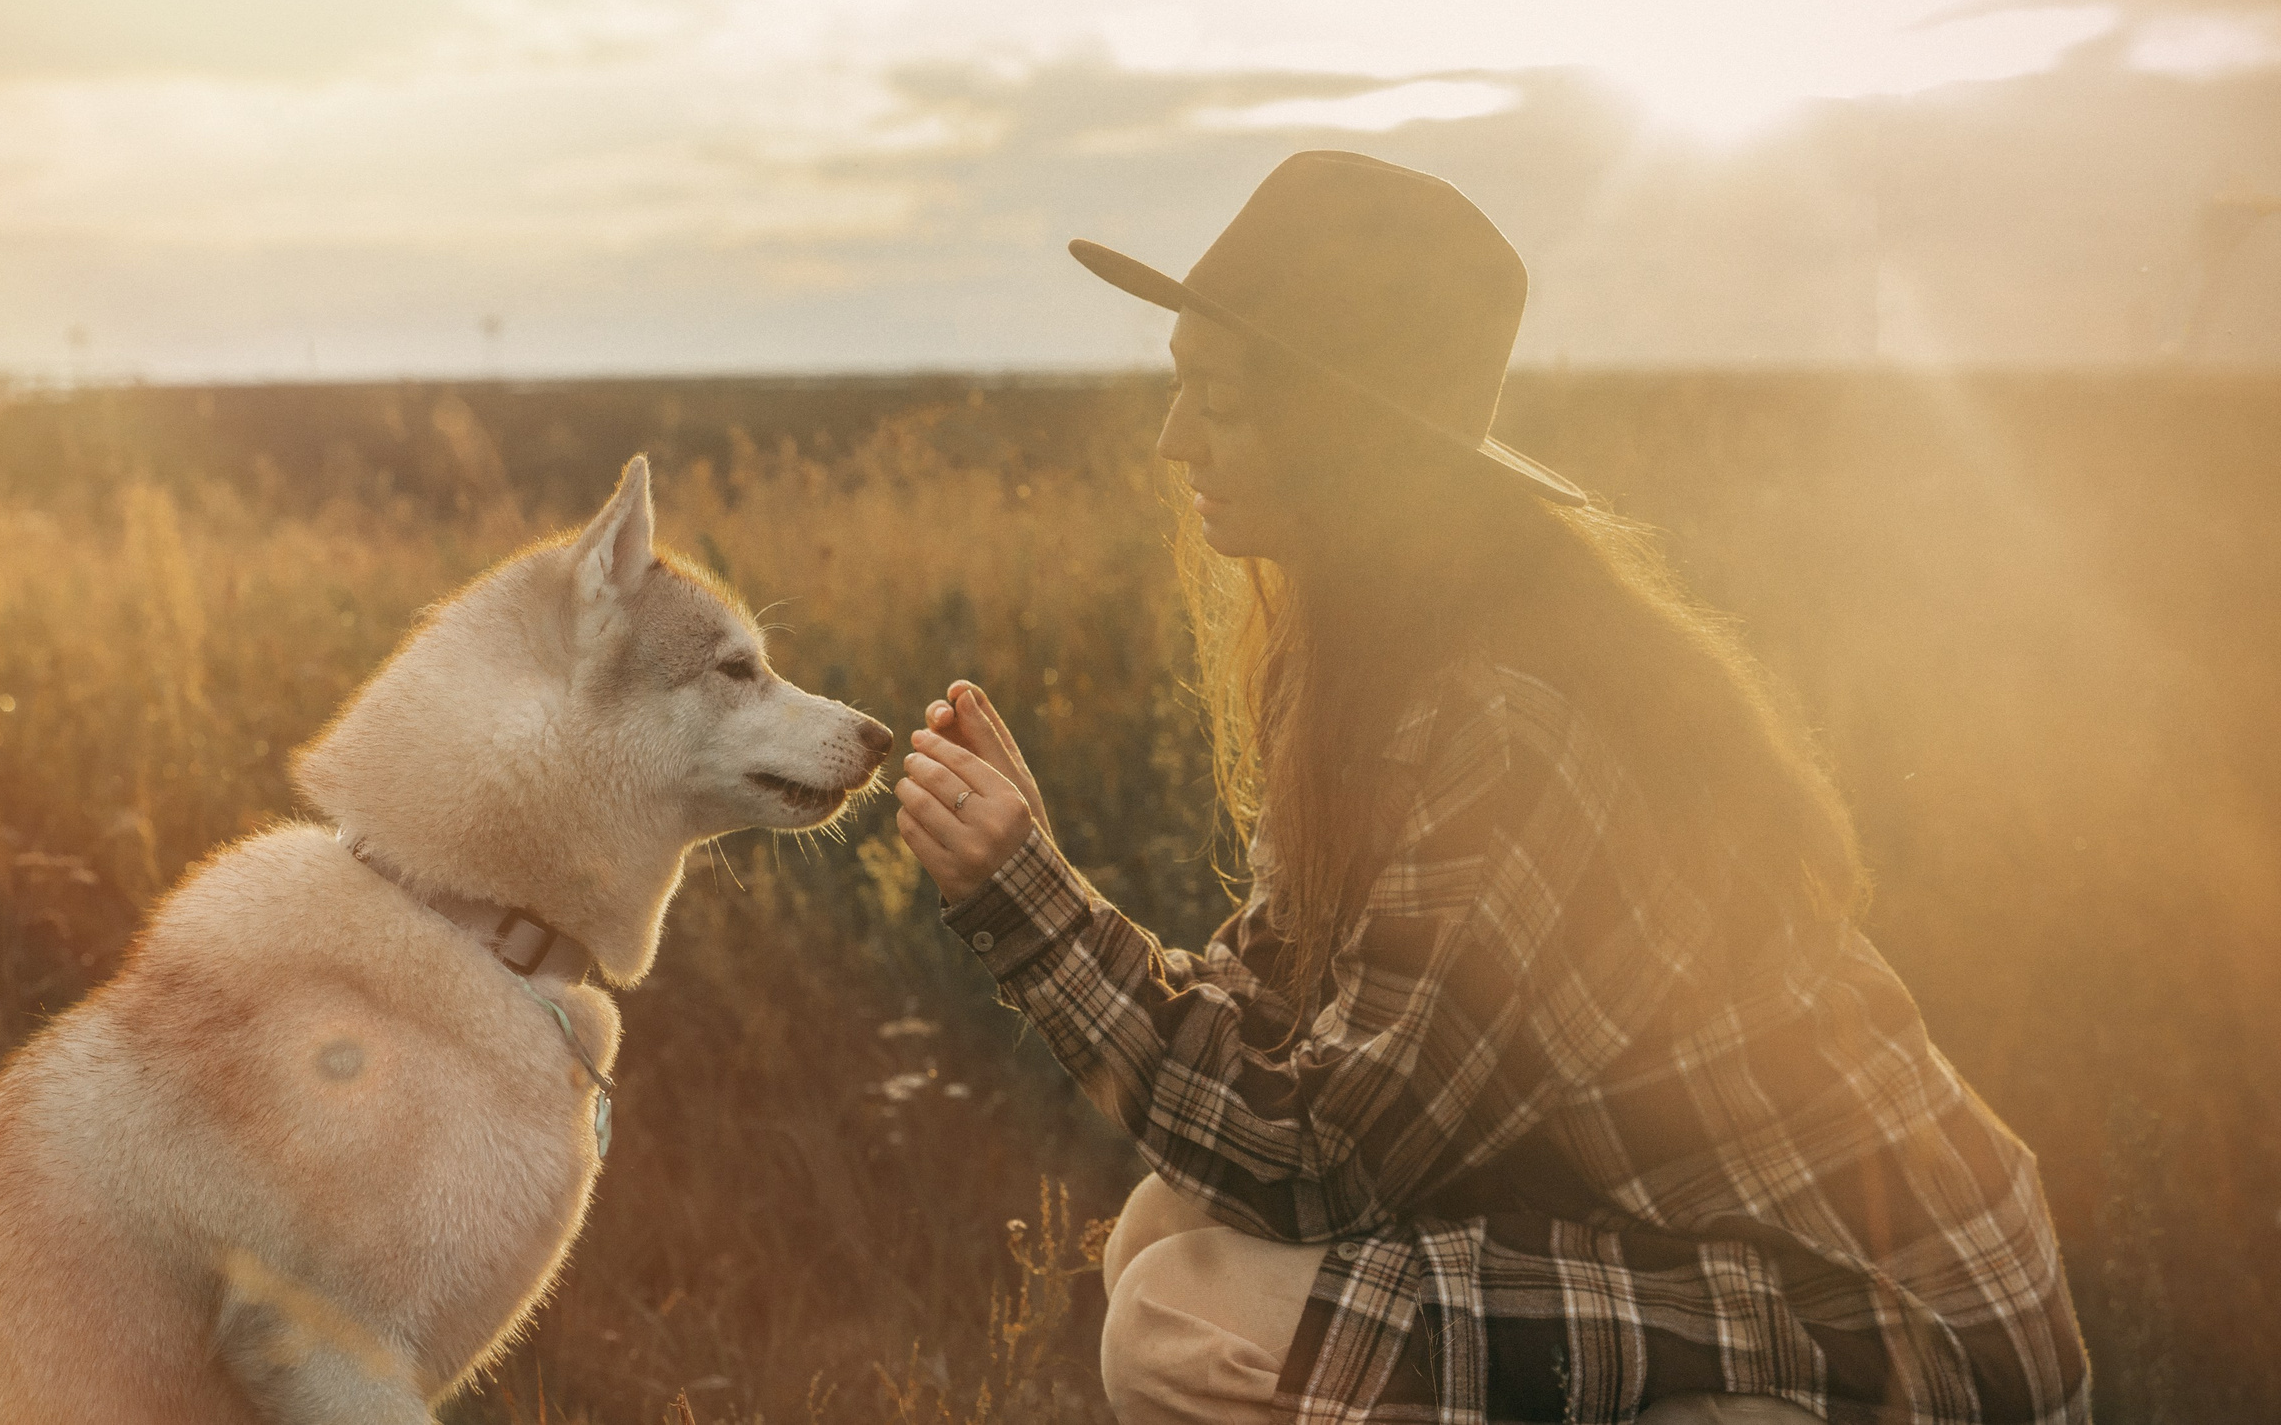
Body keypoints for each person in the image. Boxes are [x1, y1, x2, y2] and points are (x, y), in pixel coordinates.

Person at [891, 152, 2089, 1425]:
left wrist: (1031, 904)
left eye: (1218, 399)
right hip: (1695, 1249)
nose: (1171, 439)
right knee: (1163, 1227)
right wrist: (1038, 867)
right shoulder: (1378, 651)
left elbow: (1317, 1164)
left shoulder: (1504, 725)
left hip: (1881, 1328)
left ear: (1338, 434)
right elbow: (1292, 1016)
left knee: (1182, 1320)